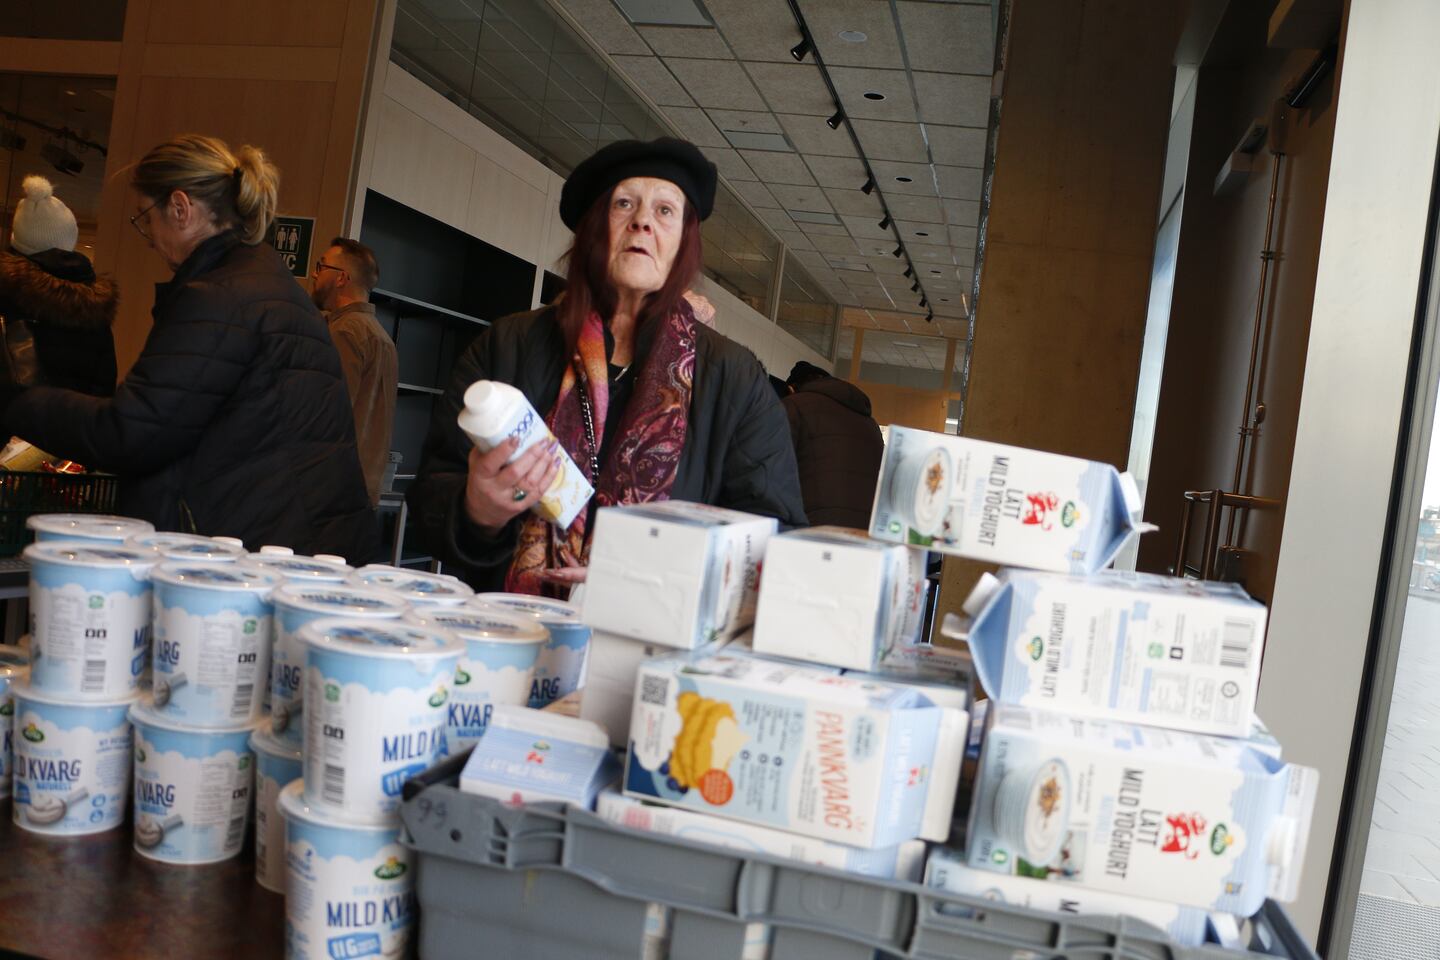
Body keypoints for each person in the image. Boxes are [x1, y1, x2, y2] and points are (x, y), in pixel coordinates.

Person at [410, 137, 806, 594]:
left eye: (664, 211)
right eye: (624, 204)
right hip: (510, 634)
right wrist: (475, 509)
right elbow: (428, 501)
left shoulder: (731, 377)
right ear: (596, 227)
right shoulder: (509, 346)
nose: (642, 221)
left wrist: (653, 578)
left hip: (651, 649)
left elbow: (777, 540)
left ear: (683, 242)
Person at [0, 134, 378, 560]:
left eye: (146, 217)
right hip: (291, 540)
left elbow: (134, 431)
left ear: (180, 208)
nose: (147, 236)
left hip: (251, 552)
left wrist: (16, 403)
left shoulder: (220, 295)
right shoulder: (263, 281)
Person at [0, 175, 117, 397]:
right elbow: (103, 387)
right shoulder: (94, 306)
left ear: (17, 240)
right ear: (70, 239)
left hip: (11, 423)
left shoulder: (7, 292)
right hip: (68, 426)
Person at [310, 237, 397, 507]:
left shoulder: (344, 332)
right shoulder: (383, 338)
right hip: (361, 488)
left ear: (341, 278)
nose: (314, 273)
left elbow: (328, 414)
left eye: (321, 266)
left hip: (329, 487)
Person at [783, 360, 883, 529]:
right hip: (866, 533)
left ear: (791, 388)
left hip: (812, 528)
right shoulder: (870, 423)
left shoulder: (793, 406)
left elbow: (774, 469)